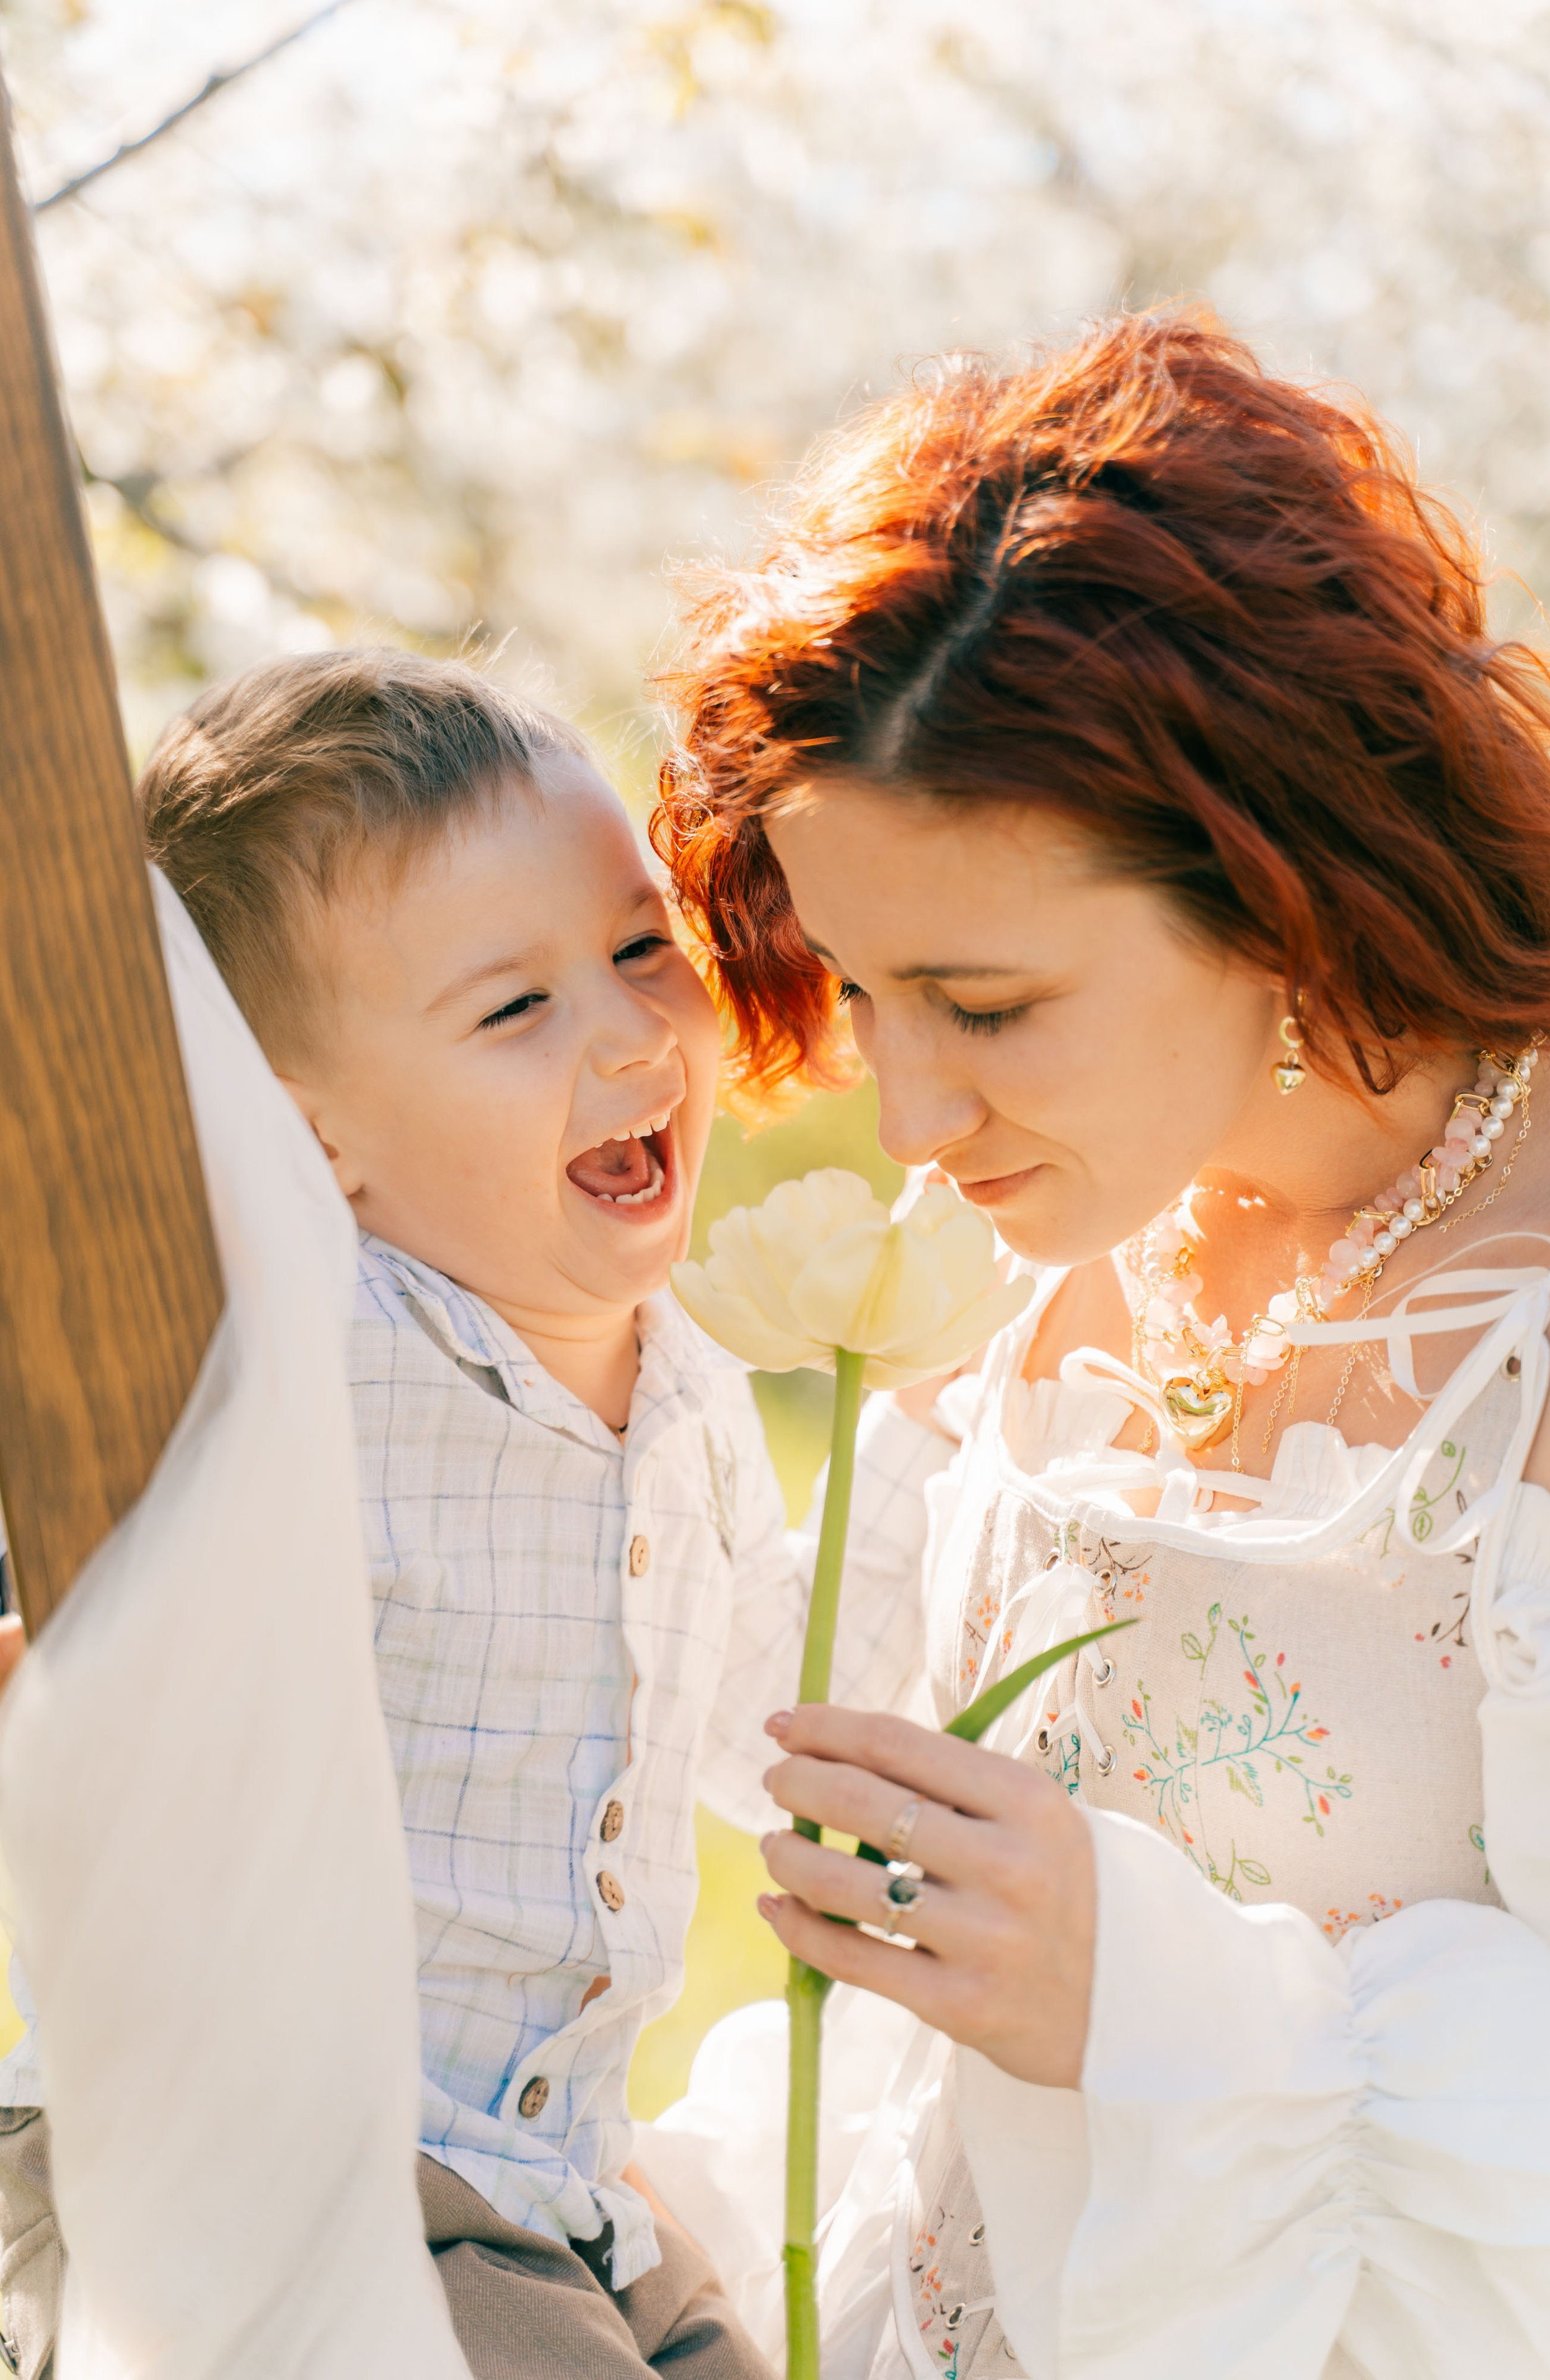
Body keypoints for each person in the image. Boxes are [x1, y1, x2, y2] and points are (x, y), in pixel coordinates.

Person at [650, 312, 1550, 2375]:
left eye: (984, 1008)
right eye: (866, 992)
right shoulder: (1003, 1254)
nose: (907, 1115)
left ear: (1284, 878)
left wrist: (1158, 2005)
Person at [0, 651, 949, 2380]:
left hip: (555, 2191)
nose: (622, 1032)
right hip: (277, 2175)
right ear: (313, 1144)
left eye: (639, 948)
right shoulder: (302, 1353)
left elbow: (778, 1715)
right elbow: (92, 1534)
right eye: (513, 1012)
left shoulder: (693, 1392)